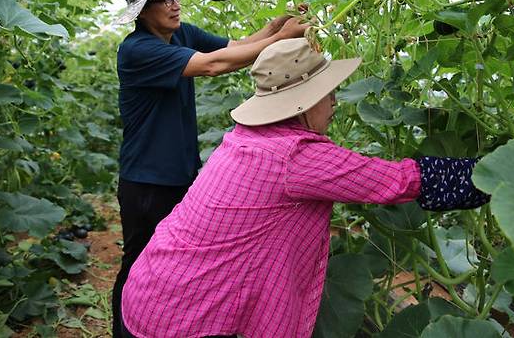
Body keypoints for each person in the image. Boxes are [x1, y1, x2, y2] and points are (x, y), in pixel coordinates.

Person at [119, 37, 490, 338]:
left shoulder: (244, 138)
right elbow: (400, 180)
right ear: (301, 104)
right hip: (183, 322)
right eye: (326, 94)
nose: (334, 102)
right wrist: (495, 176)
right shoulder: (295, 155)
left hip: (153, 294)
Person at [112, 0, 309, 338]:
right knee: (138, 265)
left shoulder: (181, 33)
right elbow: (214, 65)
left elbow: (237, 46)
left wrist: (280, 24)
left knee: (168, 266)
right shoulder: (138, 49)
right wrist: (281, 38)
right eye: (163, 0)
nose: (174, 5)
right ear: (143, 11)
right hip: (147, 182)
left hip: (180, 175)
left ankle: (158, 327)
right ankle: (124, 331)